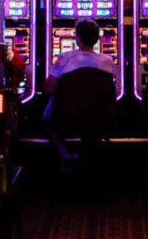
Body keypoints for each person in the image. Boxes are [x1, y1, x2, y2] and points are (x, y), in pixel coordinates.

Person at [41, 18, 115, 174]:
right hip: (98, 118)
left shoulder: (65, 57)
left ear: (78, 38)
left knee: (46, 119)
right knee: (92, 120)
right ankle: (82, 154)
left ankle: (64, 152)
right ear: (96, 38)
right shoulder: (108, 61)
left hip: (67, 116)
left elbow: (48, 89)